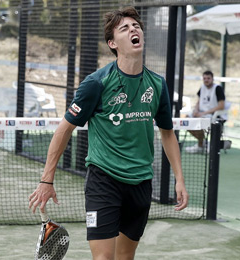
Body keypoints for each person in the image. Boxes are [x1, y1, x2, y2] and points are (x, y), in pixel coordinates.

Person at [28, 7, 189, 260]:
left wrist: (179, 178)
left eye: (136, 26)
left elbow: (167, 133)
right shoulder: (97, 83)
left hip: (141, 182)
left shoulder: (157, 84)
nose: (133, 29)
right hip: (104, 181)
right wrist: (47, 180)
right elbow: (64, 129)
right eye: (124, 28)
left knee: (125, 257)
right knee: (104, 258)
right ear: (113, 43)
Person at [185, 70, 226, 154]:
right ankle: (202, 144)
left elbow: (221, 106)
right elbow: (199, 102)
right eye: (204, 78)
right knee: (186, 120)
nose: (206, 80)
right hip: (201, 114)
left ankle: (204, 145)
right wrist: (196, 110)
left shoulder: (217, 88)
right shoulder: (202, 87)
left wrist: (204, 113)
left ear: (212, 79)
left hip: (213, 116)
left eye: (208, 78)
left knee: (199, 121)